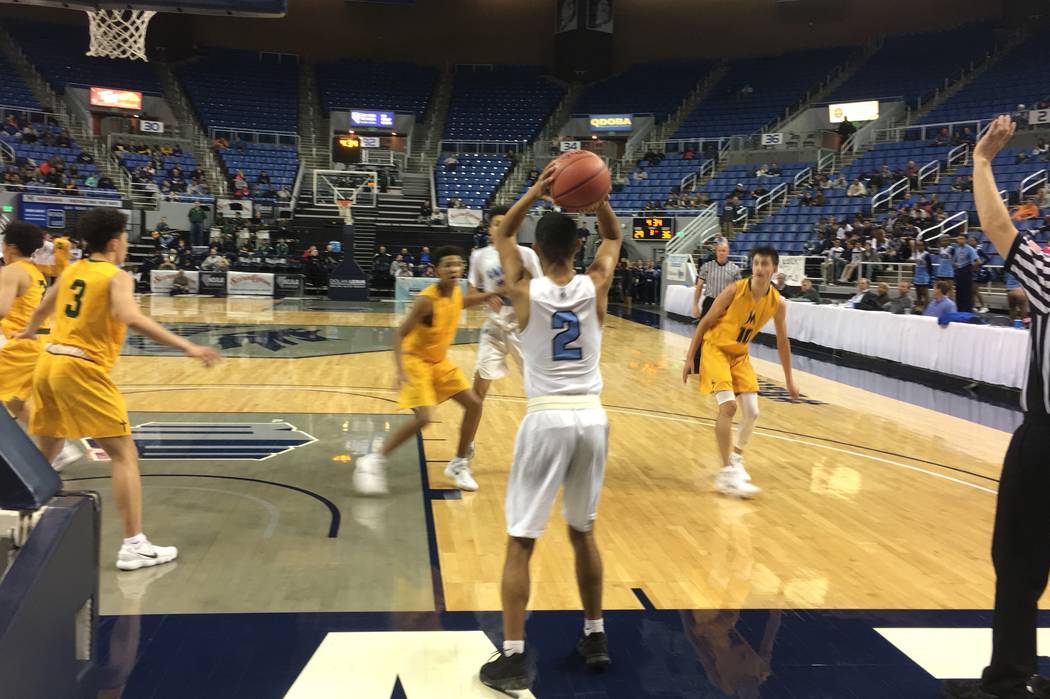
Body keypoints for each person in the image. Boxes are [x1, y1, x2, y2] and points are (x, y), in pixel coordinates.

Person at [478, 168, 622, 693]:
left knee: (521, 540)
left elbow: (501, 234)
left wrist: (536, 191)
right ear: (576, 246)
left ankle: (514, 656)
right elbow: (613, 237)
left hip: (547, 417)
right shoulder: (595, 284)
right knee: (583, 531)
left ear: (538, 248)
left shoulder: (524, 289)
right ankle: (596, 633)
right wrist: (598, 196)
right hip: (593, 417)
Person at [16, 208, 221, 570]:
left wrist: (30, 331)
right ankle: (134, 545)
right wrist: (188, 347)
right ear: (114, 243)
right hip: (80, 367)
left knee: (47, 448)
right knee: (124, 454)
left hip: (47, 364)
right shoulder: (116, 276)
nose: (126, 245)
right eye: (125, 239)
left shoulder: (74, 270)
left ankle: (19, 516)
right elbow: (131, 317)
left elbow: (45, 306)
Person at [942, 115, 1050, 699]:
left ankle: (1010, 681)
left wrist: (983, 161)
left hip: (1046, 439)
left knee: (1017, 557)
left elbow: (996, 224)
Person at [353, 247, 499, 496]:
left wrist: (492, 294)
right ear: (436, 269)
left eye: (457, 264)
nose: (454, 269)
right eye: (447, 265)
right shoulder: (426, 301)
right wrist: (399, 370)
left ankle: (459, 464)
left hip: (439, 362)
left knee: (475, 404)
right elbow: (399, 334)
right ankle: (373, 461)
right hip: (415, 361)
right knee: (424, 418)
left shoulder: (455, 292)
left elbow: (463, 302)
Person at [682, 246, 799, 498]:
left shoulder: (777, 303)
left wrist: (790, 381)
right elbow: (705, 322)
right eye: (756, 263)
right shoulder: (735, 290)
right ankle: (726, 474)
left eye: (765, 264)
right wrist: (690, 356)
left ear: (774, 269)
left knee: (753, 412)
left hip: (739, 354)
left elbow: (782, 342)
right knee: (728, 408)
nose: (759, 268)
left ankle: (735, 459)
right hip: (715, 349)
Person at [466, 206, 543, 491]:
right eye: (497, 223)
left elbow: (541, 287)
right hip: (495, 329)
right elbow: (471, 295)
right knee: (478, 392)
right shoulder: (479, 256)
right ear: (489, 229)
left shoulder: (528, 255)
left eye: (507, 223)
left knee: (537, 392)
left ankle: (539, 454)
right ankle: (466, 451)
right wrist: (490, 296)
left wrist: (519, 289)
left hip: (524, 329)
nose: (502, 227)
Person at [0, 223, 48, 427]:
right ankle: (57, 447)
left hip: (18, 343)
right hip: (38, 342)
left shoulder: (12, 271)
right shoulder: (35, 272)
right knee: (15, 401)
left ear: (10, 246)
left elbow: (1, 310)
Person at [950, 234, 978, 313]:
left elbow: (978, 261)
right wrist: (956, 265)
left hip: (967, 271)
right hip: (959, 271)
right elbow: (953, 261)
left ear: (966, 240)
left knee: (967, 292)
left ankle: (967, 311)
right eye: (958, 238)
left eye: (962, 238)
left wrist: (971, 268)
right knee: (959, 292)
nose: (960, 240)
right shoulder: (956, 249)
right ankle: (959, 310)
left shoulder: (970, 249)